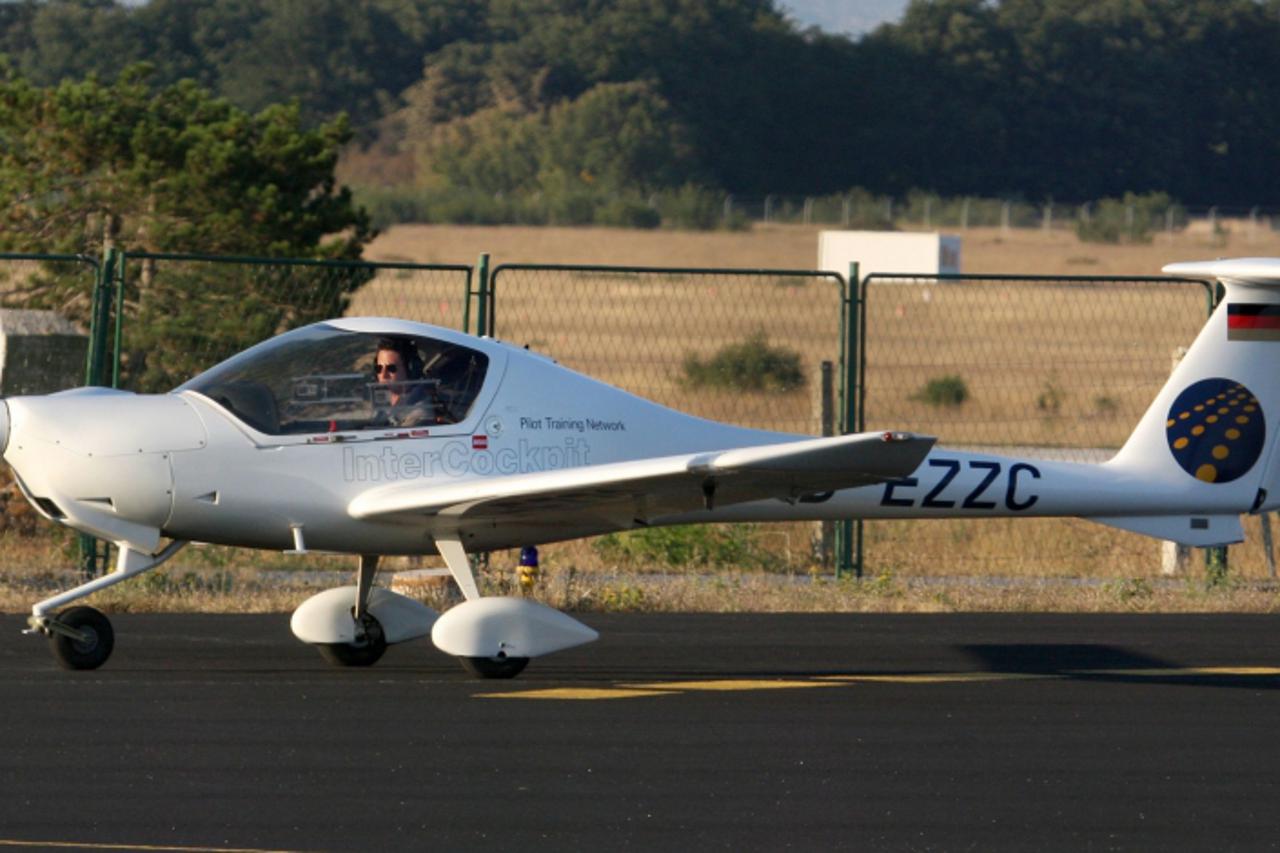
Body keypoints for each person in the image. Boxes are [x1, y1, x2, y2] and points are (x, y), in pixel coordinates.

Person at [373, 337, 433, 427]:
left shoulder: (418, 415)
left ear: (411, 370)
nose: (383, 375)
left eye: (391, 368)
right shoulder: (384, 407)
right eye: (379, 368)